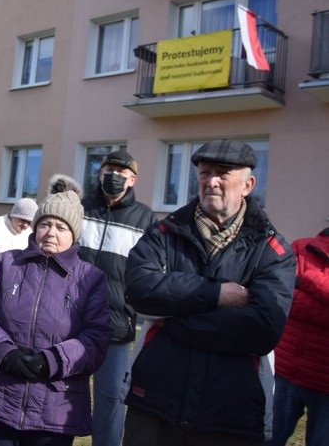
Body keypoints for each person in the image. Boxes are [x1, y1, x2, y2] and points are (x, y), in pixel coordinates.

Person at [123, 139, 296, 446]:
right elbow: (139, 291)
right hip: (155, 404)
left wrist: (173, 320)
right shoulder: (163, 234)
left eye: (222, 173)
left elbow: (262, 330)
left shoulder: (272, 251)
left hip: (229, 412)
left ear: (247, 185)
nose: (211, 182)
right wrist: (215, 294)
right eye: (205, 172)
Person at [0, 174, 111, 445]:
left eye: (61, 227)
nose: (51, 232)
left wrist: (51, 360)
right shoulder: (7, 263)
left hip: (53, 410)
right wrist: (3, 352)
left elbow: (96, 338)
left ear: (74, 234)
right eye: (45, 224)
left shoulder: (90, 278)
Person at [77, 150, 154, 446]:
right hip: (71, 322)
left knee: (111, 400)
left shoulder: (144, 218)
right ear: (99, 172)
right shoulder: (81, 208)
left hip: (116, 327)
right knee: (63, 393)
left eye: (121, 172)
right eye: (109, 169)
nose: (114, 175)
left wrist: (133, 309)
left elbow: (148, 272)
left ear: (132, 179)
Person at [271, 227, 329, 446]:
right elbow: (279, 299)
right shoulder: (301, 248)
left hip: (326, 382)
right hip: (284, 372)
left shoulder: (304, 263)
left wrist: (309, 279)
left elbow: (293, 300)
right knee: (265, 440)